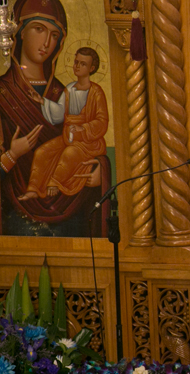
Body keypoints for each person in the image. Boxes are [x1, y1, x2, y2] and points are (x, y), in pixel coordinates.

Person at [0, 0, 110, 236]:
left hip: (73, 213)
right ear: (18, 31)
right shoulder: (3, 94)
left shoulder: (65, 93)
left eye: (54, 34)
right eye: (38, 29)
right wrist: (12, 155)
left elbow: (94, 143)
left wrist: (100, 171)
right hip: (16, 221)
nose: (47, 43)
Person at [20, 46, 109, 201]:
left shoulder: (96, 92)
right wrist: (42, 101)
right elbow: (60, 113)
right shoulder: (69, 89)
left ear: (91, 68)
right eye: (76, 62)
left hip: (88, 142)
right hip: (68, 136)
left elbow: (102, 121)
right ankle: (33, 189)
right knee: (42, 151)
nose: (77, 66)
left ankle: (55, 182)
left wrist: (84, 128)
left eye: (83, 64)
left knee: (70, 154)